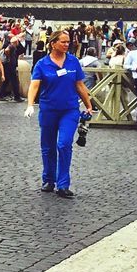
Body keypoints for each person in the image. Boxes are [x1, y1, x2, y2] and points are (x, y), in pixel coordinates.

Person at [25, 30, 94, 198]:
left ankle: (63, 184)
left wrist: (89, 105)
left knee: (64, 144)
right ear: (53, 43)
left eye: (68, 42)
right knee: (47, 147)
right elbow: (34, 85)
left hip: (69, 110)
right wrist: (29, 104)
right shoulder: (42, 64)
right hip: (48, 109)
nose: (66, 44)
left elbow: (79, 85)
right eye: (63, 42)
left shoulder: (73, 61)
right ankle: (49, 179)